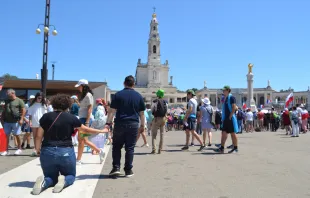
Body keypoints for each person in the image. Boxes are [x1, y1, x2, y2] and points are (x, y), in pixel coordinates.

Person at [32, 94, 109, 195]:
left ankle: (45, 182)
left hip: (47, 150)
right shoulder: (71, 118)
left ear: (54, 104)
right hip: (65, 151)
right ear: (68, 105)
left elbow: (38, 136)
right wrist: (102, 131)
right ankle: (64, 181)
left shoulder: (45, 117)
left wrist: (37, 149)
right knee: (70, 175)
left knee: (50, 177)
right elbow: (85, 130)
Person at [105, 75, 145, 177]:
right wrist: (142, 125)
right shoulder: (139, 96)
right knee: (130, 148)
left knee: (117, 146)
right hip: (133, 124)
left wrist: (108, 123)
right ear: (134, 84)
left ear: (124, 83)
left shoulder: (118, 95)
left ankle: (116, 167)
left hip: (120, 123)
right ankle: (128, 170)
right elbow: (142, 113)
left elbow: (112, 112)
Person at [75, 79, 105, 165]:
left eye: (79, 86)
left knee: (82, 140)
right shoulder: (86, 95)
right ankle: (99, 151)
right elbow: (85, 108)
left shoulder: (88, 95)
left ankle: (79, 159)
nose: (78, 88)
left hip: (85, 119)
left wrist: (87, 122)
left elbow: (89, 109)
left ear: (83, 86)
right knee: (82, 139)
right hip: (83, 119)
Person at [0, 89, 26, 156]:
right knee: (6, 136)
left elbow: (24, 110)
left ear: (13, 93)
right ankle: (6, 150)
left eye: (8, 93)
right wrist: (2, 118)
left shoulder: (19, 100)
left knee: (17, 135)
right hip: (7, 121)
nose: (7, 94)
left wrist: (22, 119)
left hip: (16, 121)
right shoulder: (6, 101)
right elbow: (4, 110)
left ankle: (19, 149)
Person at [216, 86, 239, 153]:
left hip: (230, 118)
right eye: (223, 90)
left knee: (232, 133)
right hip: (226, 118)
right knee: (223, 133)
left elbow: (234, 107)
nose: (223, 91)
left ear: (228, 90)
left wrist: (230, 116)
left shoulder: (231, 97)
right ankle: (222, 148)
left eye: (224, 90)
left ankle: (235, 148)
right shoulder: (225, 98)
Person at [28, 92, 47, 156]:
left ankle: (38, 149)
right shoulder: (32, 105)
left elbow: (45, 115)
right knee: (35, 136)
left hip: (41, 123)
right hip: (34, 122)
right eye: (39, 97)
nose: (40, 99)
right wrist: (30, 121)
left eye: (41, 98)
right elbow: (30, 115)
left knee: (39, 136)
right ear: (36, 97)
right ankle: (36, 150)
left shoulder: (43, 105)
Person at [150, 89, 168, 154]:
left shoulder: (155, 101)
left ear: (157, 94)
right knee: (162, 134)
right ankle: (160, 149)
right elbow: (166, 111)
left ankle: (154, 149)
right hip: (163, 118)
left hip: (156, 118)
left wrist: (153, 114)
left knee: (154, 134)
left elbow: (152, 109)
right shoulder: (165, 102)